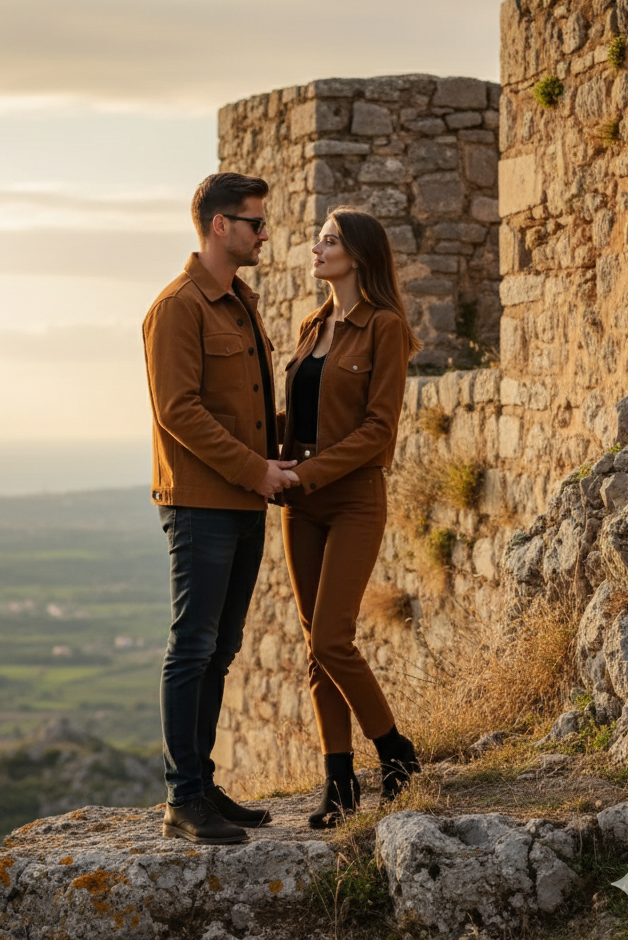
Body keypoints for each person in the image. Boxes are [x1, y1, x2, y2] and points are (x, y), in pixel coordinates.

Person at [142, 172, 300, 844]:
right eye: (255, 223)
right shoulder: (178, 307)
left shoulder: (239, 303)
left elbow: (245, 411)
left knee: (221, 649)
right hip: (201, 503)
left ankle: (202, 785)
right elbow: (178, 412)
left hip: (241, 500)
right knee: (192, 648)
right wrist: (255, 469)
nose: (264, 234)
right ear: (218, 225)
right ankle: (182, 799)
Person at [279, 205, 422, 828]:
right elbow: (300, 417)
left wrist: (306, 473)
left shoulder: (385, 327)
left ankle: (395, 752)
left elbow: (378, 430)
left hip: (353, 496)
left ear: (358, 255)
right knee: (315, 646)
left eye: (329, 241)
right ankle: (338, 782)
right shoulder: (312, 324)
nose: (317, 249)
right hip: (300, 503)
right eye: (318, 240)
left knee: (333, 639)